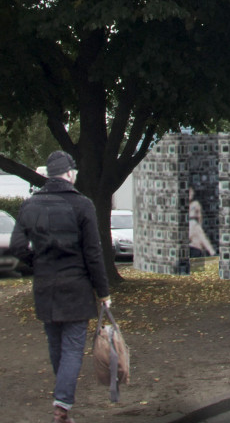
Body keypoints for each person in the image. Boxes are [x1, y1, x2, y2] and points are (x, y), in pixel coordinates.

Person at [10, 151, 111, 423]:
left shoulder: (29, 206)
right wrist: (103, 292)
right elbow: (93, 252)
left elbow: (18, 247)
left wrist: (37, 264)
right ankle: (62, 407)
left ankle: (62, 401)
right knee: (72, 349)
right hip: (76, 288)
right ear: (68, 173)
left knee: (56, 346)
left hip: (45, 288)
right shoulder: (83, 205)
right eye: (73, 171)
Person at [188, 187, 215, 257]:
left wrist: (199, 226)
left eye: (191, 192)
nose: (190, 194)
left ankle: (209, 253)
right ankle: (212, 252)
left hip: (193, 228)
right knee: (199, 232)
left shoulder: (195, 204)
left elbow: (200, 217)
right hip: (188, 228)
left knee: (198, 242)